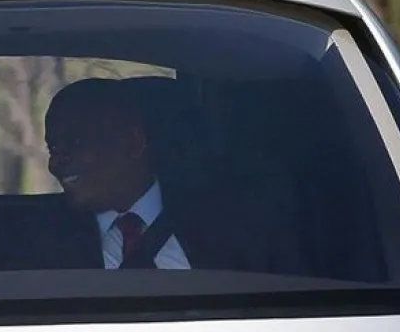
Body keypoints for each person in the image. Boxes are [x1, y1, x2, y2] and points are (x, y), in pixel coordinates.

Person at [39, 77, 263, 272]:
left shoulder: (232, 227)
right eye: (53, 149)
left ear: (133, 143)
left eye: (74, 143)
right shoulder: (41, 242)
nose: (54, 164)